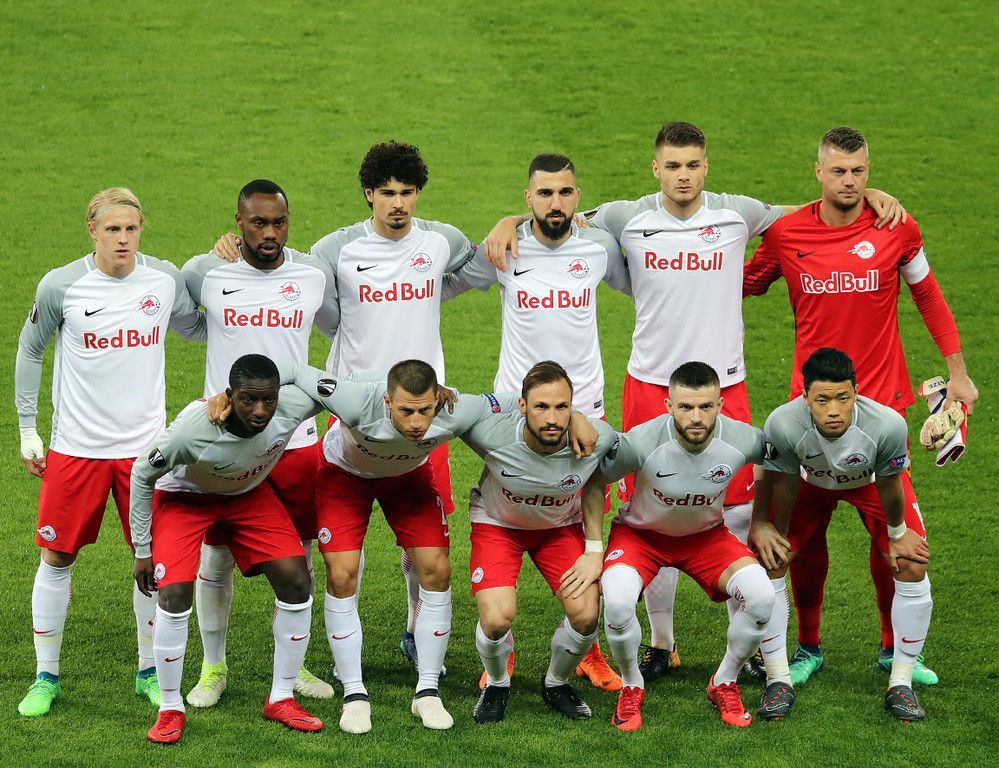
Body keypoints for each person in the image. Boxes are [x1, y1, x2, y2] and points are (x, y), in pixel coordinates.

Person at [484, 122, 904, 683]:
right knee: (648, 512)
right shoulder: (625, 217)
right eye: (673, 166)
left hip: (724, 386)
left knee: (738, 511)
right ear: (656, 169)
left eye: (693, 165)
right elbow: (556, 216)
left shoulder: (737, 213)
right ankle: (663, 643)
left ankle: (757, 650)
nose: (683, 176)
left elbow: (812, 212)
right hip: (650, 384)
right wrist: (508, 220)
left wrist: (866, 197)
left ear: (706, 166)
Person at [216, 142, 476, 670]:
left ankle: (414, 628)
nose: (398, 204)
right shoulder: (334, 250)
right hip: (354, 411)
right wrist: (231, 247)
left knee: (421, 540)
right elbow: (320, 308)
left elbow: (482, 264)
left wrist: (511, 223)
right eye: (387, 193)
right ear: (368, 194)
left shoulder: (442, 240)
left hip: (423, 410)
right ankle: (336, 651)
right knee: (341, 546)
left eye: (407, 193)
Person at [743, 126, 978, 686]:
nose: (849, 181)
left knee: (898, 544)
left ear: (868, 172)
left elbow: (928, 293)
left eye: (858, 172)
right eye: (838, 171)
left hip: (881, 419)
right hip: (810, 422)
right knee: (795, 545)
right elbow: (740, 285)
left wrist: (958, 373)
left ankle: (895, 651)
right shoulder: (787, 233)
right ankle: (807, 647)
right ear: (818, 173)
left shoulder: (896, 226)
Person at [270, 358, 596, 733]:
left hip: (408, 479)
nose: (416, 422)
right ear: (388, 402)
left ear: (437, 400)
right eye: (406, 411)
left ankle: (427, 691)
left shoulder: (455, 409)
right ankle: (354, 694)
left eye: (425, 411)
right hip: (345, 476)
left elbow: (519, 401)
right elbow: (296, 371)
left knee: (437, 569)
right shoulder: (353, 399)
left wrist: (576, 417)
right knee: (342, 574)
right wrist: (234, 397)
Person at [14, 187, 205, 718]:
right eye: (113, 229)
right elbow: (30, 349)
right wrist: (28, 428)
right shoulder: (61, 285)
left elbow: (196, 326)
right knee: (57, 556)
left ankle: (149, 671)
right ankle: (45, 676)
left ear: (141, 230)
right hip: (77, 449)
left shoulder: (164, 280)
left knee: (155, 560)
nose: (123, 239)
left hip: (146, 453)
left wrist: (230, 268)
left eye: (132, 229)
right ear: (92, 231)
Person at [445, 152, 630, 691]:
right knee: (511, 491)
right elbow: (449, 281)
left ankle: (588, 647)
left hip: (584, 403)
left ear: (578, 197)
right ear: (528, 198)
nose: (555, 202)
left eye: (565, 193)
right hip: (516, 407)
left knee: (587, 498)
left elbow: (639, 278)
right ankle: (500, 648)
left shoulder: (597, 247)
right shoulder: (505, 247)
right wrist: (501, 226)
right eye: (544, 193)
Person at [181, 179, 340, 707]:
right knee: (216, 555)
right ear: (238, 223)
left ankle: (295, 667)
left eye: (279, 222)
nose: (270, 233)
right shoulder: (206, 272)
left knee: (299, 556)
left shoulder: (312, 274)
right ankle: (212, 666)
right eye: (258, 223)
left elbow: (338, 325)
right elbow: (185, 324)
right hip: (226, 441)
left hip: (294, 441)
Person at [131, 354, 325, 744]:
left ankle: (281, 698)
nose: (260, 411)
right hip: (186, 498)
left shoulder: (294, 405)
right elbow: (142, 472)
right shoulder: (193, 430)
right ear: (229, 396)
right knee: (173, 593)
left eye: (268, 399)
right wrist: (142, 548)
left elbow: (350, 388)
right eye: (248, 400)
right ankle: (170, 708)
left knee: (296, 581)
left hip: (246, 494)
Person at [585, 361, 780, 731]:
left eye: (705, 407)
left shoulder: (742, 438)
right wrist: (594, 549)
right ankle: (631, 684)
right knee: (619, 603)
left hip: (706, 538)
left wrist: (763, 519)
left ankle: (724, 681)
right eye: (686, 407)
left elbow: (776, 462)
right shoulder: (641, 441)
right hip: (641, 537)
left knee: (761, 597)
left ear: (720, 405)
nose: (696, 417)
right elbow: (595, 482)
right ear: (668, 406)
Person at [751, 348, 933, 722]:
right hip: (810, 485)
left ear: (856, 392)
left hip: (870, 485)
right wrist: (776, 532)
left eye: (843, 398)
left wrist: (897, 534)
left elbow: (890, 484)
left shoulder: (887, 424)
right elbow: (783, 483)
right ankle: (781, 676)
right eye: (822, 400)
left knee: (911, 562)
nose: (834, 410)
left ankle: (901, 680)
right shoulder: (783, 423)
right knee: (772, 560)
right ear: (805, 397)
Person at [459, 361, 620, 724]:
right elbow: (454, 412)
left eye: (562, 407)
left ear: (573, 407)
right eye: (541, 407)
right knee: (496, 619)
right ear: (522, 406)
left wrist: (595, 551)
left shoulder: (597, 438)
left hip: (558, 528)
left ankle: (556, 683)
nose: (552, 418)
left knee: (586, 615)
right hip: (498, 525)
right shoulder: (491, 434)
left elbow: (598, 481)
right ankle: (497, 683)